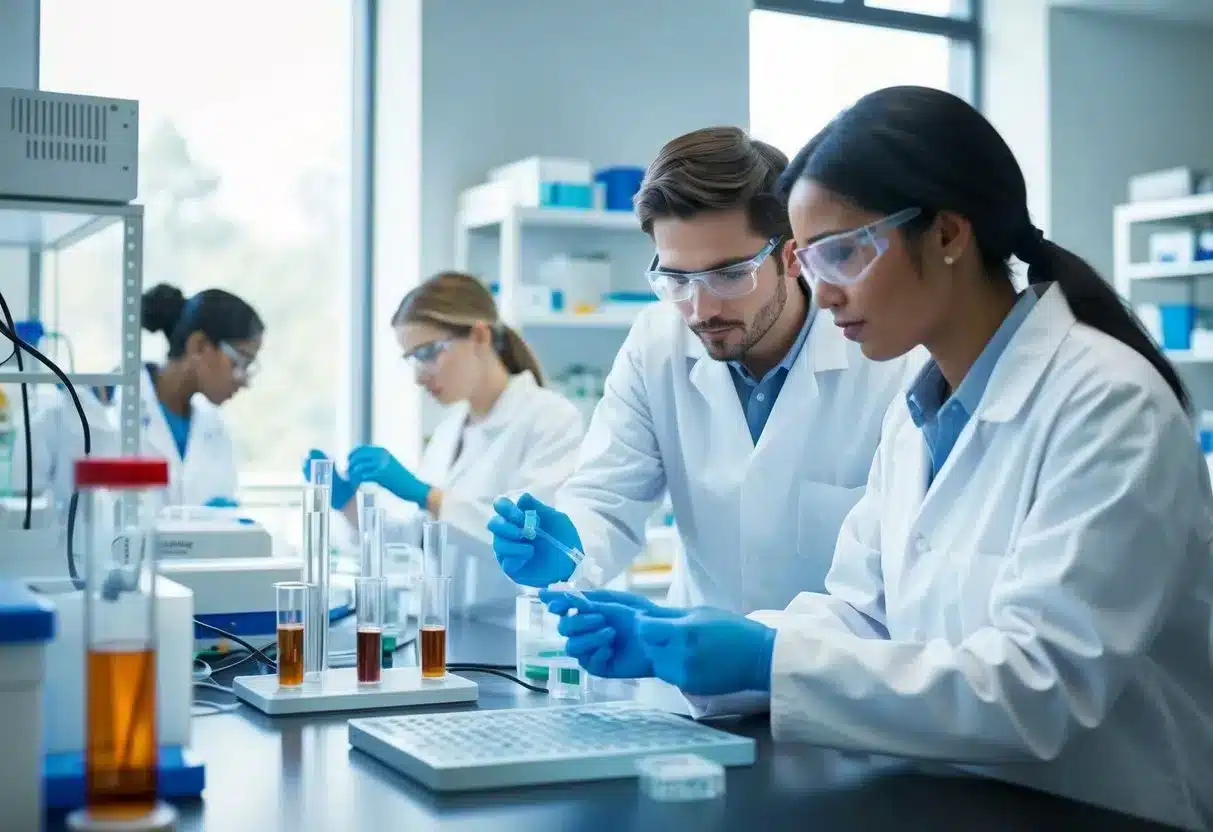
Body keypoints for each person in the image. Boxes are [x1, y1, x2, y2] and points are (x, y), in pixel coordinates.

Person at [539, 87, 1213, 830]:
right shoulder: (918, 411)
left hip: (1102, 808)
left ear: (948, 234)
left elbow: (1036, 687)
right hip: (948, 798)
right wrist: (692, 643)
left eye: (840, 254)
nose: (820, 293)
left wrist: (769, 661)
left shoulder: (1105, 403)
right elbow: (863, 611)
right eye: (808, 258)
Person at [489, 126, 915, 614]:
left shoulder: (883, 358)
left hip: (839, 674)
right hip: (697, 678)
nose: (700, 307)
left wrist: (769, 654)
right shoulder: (656, 343)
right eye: (675, 278)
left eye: (730, 275)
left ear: (791, 257)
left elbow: (893, 575)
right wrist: (565, 547)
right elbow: (606, 500)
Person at [306, 271, 583, 616]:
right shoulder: (450, 430)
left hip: (515, 631)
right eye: (411, 358)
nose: (419, 376)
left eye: (428, 353)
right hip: (449, 631)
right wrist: (348, 505)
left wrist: (429, 496)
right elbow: (422, 541)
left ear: (479, 336)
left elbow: (535, 542)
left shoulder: (550, 418)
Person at [19, 283, 263, 510]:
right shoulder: (92, 408)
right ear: (198, 346)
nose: (245, 379)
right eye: (240, 361)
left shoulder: (214, 430)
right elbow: (27, 501)